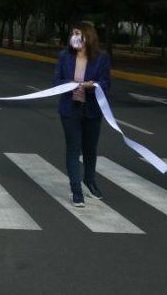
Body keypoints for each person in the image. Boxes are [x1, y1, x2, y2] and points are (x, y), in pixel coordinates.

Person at [53, 21, 111, 207]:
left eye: (78, 33)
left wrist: (92, 85)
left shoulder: (101, 58)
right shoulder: (64, 56)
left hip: (92, 109)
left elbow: (106, 82)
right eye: (73, 34)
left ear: (88, 36)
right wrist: (70, 84)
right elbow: (56, 81)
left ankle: (90, 180)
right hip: (70, 109)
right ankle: (76, 190)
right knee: (73, 149)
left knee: (90, 149)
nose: (74, 37)